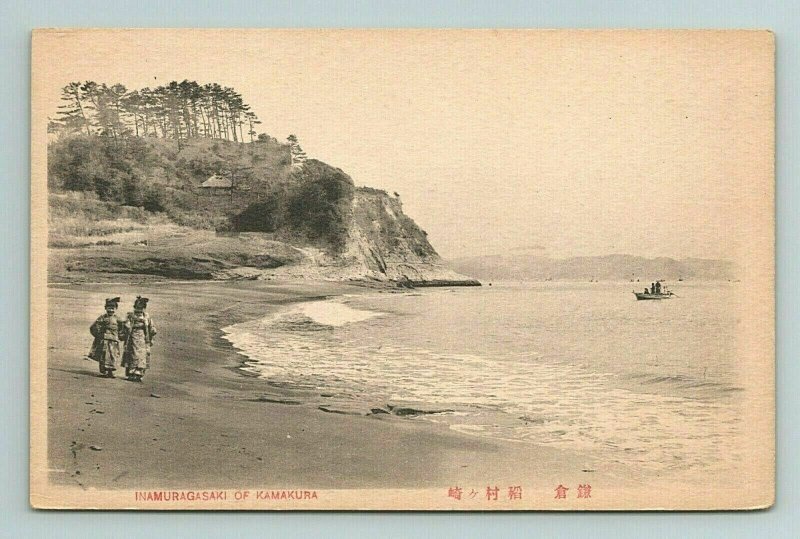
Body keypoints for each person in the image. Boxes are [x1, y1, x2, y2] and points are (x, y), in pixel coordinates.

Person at [122, 296, 157, 382]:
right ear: (134, 307)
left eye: (141, 309)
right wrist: (127, 325)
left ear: (144, 308)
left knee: (141, 355)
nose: (139, 310)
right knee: (132, 354)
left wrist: (152, 331)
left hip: (143, 338)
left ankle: (139, 373)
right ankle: (131, 373)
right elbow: (126, 324)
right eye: (137, 308)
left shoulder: (146, 317)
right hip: (132, 337)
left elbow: (151, 327)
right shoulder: (130, 315)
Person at [88, 297, 123, 378]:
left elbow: (123, 328)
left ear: (116, 308)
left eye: (112, 308)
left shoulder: (118, 319)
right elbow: (94, 327)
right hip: (104, 340)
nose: (110, 310)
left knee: (113, 355)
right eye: (109, 308)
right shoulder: (102, 318)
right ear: (105, 308)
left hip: (114, 340)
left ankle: (111, 372)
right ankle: (105, 371)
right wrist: (98, 334)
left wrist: (121, 336)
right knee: (104, 355)